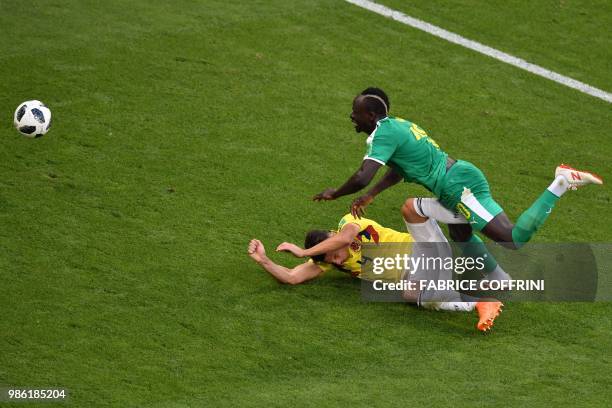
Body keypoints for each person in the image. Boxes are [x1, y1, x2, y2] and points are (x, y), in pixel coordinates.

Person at [312, 87, 602, 274]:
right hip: (455, 179)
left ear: (372, 115)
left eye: (356, 111)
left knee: (513, 239)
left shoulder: (382, 135)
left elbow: (362, 175)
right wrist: (373, 194)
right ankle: (497, 281)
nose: (352, 115)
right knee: (460, 233)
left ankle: (561, 182)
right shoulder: (397, 126)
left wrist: (335, 193)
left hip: (458, 187)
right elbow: (399, 170)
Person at [247, 199, 503, 332]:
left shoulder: (349, 223)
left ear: (330, 236)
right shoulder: (331, 262)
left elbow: (345, 238)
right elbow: (292, 277)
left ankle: (479, 286)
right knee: (414, 294)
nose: (337, 261)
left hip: (424, 251)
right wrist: (264, 261)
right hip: (420, 273)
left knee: (412, 292)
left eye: (333, 254)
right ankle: (481, 301)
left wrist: (303, 252)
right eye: (331, 261)